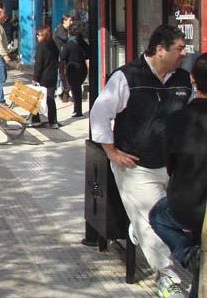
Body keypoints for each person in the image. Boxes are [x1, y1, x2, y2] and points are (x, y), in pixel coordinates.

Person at [90, 24, 192, 298]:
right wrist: (111, 152)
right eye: (179, 48)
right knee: (151, 221)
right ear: (160, 50)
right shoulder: (127, 77)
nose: (184, 53)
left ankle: (136, 228)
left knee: (176, 218)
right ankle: (167, 276)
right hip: (136, 167)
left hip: (173, 166)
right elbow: (100, 113)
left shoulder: (182, 79)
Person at [149, 52, 207, 298]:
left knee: (158, 215)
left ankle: (187, 254)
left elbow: (170, 166)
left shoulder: (176, 120)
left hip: (188, 205)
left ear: (193, 79)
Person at [31, 26, 60, 129]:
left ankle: (35, 119)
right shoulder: (53, 45)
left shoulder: (41, 46)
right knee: (50, 99)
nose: (37, 37)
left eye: (38, 35)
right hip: (52, 75)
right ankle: (53, 121)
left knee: (37, 97)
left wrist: (35, 78)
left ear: (43, 35)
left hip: (43, 76)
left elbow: (38, 64)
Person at [60, 22, 89, 118]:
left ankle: (77, 111)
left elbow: (63, 56)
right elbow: (88, 53)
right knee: (77, 89)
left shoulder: (69, 44)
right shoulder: (82, 42)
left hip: (72, 69)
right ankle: (77, 109)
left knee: (75, 90)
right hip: (82, 68)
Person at [54, 15, 73, 102]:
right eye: (70, 20)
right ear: (64, 21)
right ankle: (60, 91)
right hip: (60, 55)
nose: (71, 22)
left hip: (64, 55)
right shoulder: (60, 30)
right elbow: (66, 39)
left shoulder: (66, 30)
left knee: (64, 74)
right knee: (62, 74)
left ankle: (64, 92)